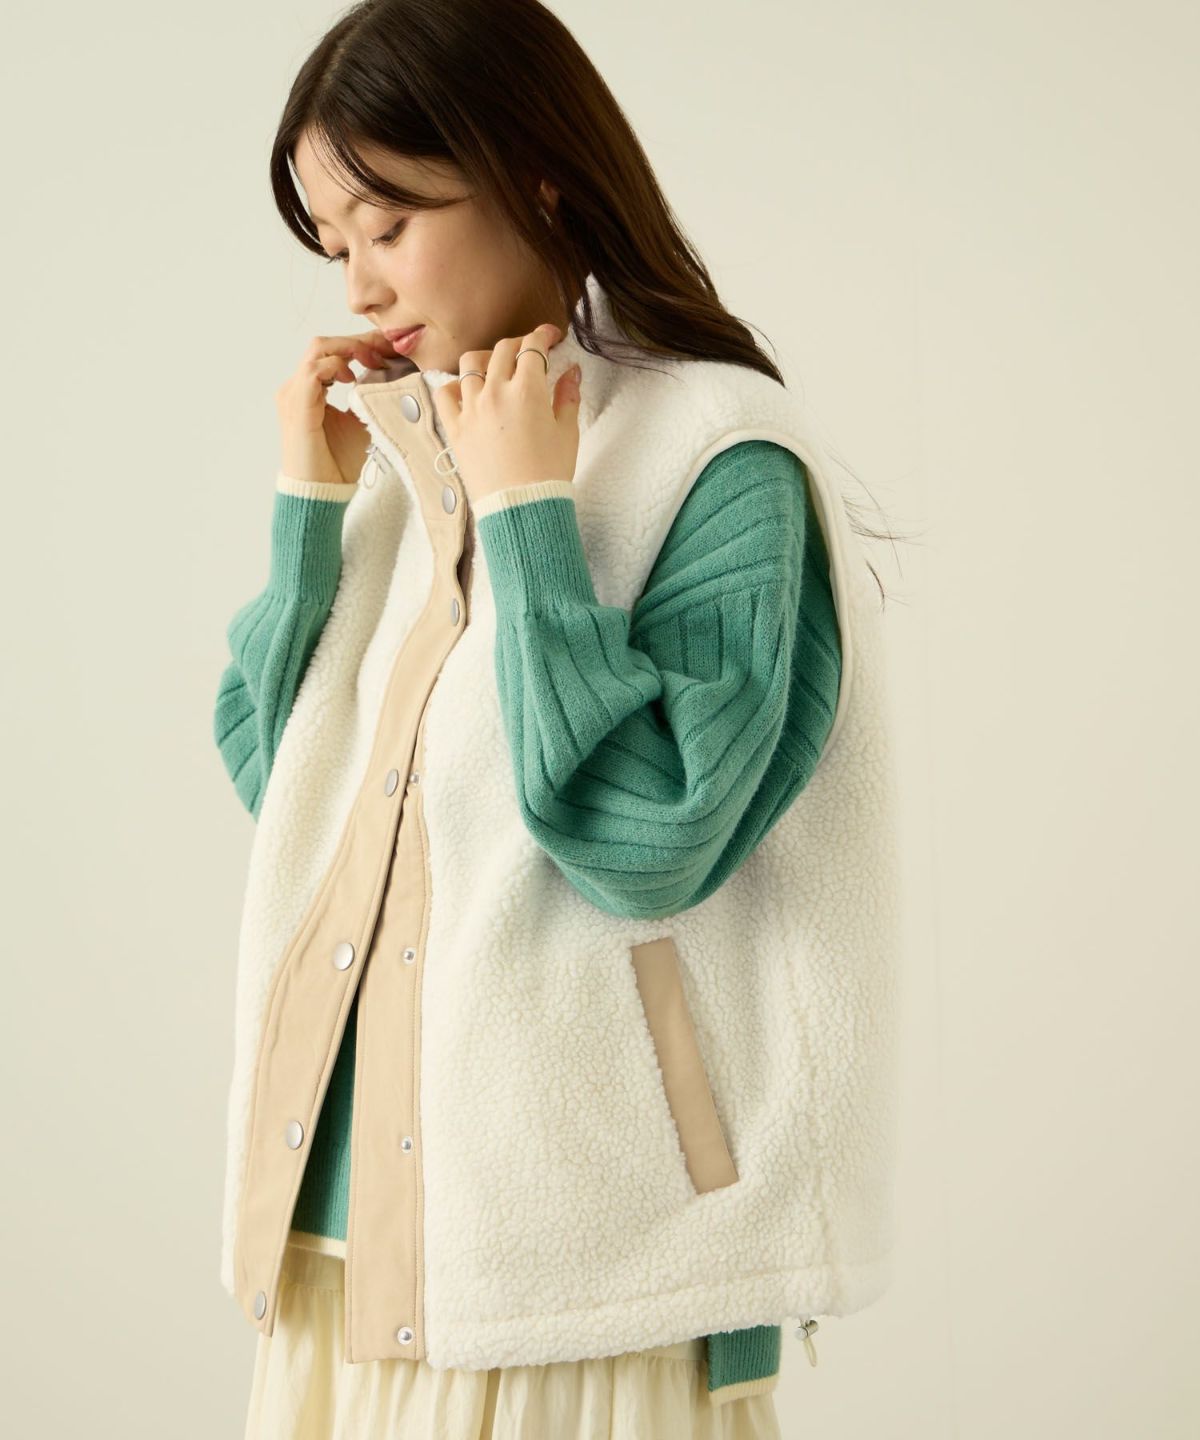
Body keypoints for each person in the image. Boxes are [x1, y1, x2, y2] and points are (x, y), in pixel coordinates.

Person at [212, 1, 904, 1435]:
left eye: (388, 223)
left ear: (532, 171)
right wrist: (308, 514)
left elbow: (648, 843)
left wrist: (531, 516)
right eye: (334, 245)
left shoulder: (718, 456)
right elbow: (289, 799)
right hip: (344, 1237)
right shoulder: (416, 449)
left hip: (591, 1258)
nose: (360, 283)